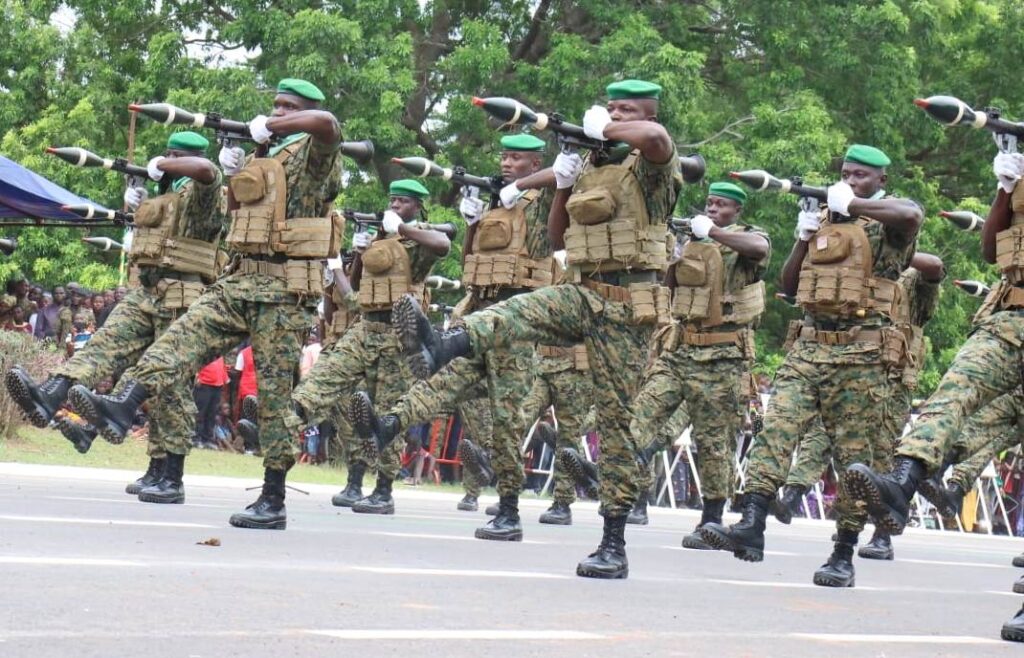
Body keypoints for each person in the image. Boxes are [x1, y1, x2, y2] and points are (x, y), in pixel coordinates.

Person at [353, 79, 682, 578]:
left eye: (627, 110)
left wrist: (611, 129)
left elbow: (655, 139)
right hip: (582, 289)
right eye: (610, 107)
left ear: (647, 114)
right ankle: (443, 344)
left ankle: (613, 540)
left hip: (626, 308)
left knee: (616, 424)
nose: (614, 116)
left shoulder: (653, 166)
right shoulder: (593, 169)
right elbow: (557, 239)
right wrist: (567, 181)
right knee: (519, 311)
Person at [68, 78, 344, 530]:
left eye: (286, 107)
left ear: (303, 111)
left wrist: (275, 128)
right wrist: (246, 161)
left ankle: (273, 498)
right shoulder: (268, 156)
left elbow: (328, 124)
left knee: (274, 398)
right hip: (239, 282)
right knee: (177, 340)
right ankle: (122, 405)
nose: (276, 113)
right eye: (273, 105)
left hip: (283, 292)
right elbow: (238, 211)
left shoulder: (315, 156)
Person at [699, 145, 923, 590]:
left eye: (861, 175)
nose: (851, 180)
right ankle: (752, 523)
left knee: (855, 460)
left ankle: (842, 552)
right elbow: (788, 285)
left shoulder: (888, 224)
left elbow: (912, 215)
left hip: (862, 353)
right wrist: (803, 237)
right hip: (808, 347)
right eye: (846, 174)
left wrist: (854, 205)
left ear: (880, 181)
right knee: (775, 430)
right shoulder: (823, 224)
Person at [351, 132, 557, 537]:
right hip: (478, 313)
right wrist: (474, 222)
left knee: (506, 420)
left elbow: (562, 177)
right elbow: (470, 265)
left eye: (516, 159)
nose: (506, 164)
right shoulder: (501, 208)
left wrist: (520, 187)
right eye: (504, 157)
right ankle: (386, 425)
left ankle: (510, 510)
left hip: (515, 324)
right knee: (437, 383)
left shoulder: (539, 201)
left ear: (533, 165)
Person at [5, 130, 224, 503]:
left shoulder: (203, 193)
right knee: (102, 345)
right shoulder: (166, 197)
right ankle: (50, 395)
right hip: (147, 291)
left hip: (183, 295)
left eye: (171, 155)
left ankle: (170, 474)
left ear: (181, 157)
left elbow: (206, 170)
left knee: (170, 385)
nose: (164, 161)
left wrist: (162, 166)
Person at [290, 178, 450, 515]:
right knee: (331, 388)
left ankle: (383, 490)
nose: (395, 206)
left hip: (397, 335)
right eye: (393, 200)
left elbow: (442, 245)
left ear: (418, 206)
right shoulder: (384, 238)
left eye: (403, 201)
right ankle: (290, 425)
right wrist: (362, 253)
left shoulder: (415, 239)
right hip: (365, 328)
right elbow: (359, 287)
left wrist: (403, 227)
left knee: (386, 411)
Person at [630, 181, 769, 548]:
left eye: (721, 206)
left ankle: (711, 519)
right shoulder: (694, 244)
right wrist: (678, 253)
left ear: (736, 211)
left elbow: (760, 249)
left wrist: (716, 234)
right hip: (681, 352)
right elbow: (670, 289)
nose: (712, 210)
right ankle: (614, 472)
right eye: (709, 204)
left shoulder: (746, 239)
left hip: (723, 358)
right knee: (642, 413)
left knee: (713, 443)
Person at [194, 356, 229, 449]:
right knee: (200, 412)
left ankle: (208, 439)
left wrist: (224, 377)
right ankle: (196, 438)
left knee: (212, 413)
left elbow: (221, 362)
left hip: (217, 383)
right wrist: (197, 375)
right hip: (204, 382)